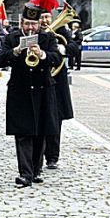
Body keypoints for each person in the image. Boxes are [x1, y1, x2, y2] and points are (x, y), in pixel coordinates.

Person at [0, 0, 61, 187]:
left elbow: (57, 58)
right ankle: (25, 173)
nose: (30, 27)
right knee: (23, 133)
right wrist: (16, 51)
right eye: (27, 24)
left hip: (43, 90)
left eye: (34, 24)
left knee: (40, 132)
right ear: (21, 23)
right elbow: (0, 59)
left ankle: (36, 170)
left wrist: (42, 54)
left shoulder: (48, 38)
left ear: (39, 24)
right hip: (20, 91)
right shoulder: (12, 37)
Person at [40, 11, 75, 170]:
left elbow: (75, 47)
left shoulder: (61, 31)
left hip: (57, 81)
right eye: (42, 17)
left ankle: (52, 156)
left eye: (47, 17)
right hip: (39, 79)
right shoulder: (34, 32)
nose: (45, 20)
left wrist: (63, 48)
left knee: (56, 119)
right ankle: (37, 155)